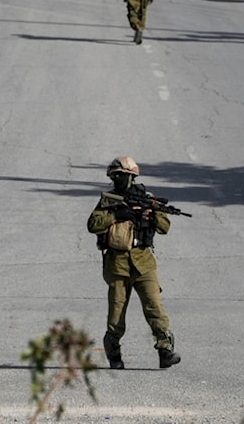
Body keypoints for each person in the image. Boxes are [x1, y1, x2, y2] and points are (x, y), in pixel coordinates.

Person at [87, 156, 181, 370]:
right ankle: (114, 353)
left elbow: (165, 226)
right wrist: (116, 216)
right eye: (117, 176)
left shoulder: (146, 198)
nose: (121, 180)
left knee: (154, 306)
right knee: (117, 313)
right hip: (117, 264)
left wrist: (150, 216)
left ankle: (165, 349)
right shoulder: (108, 201)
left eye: (125, 176)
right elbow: (93, 224)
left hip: (143, 262)